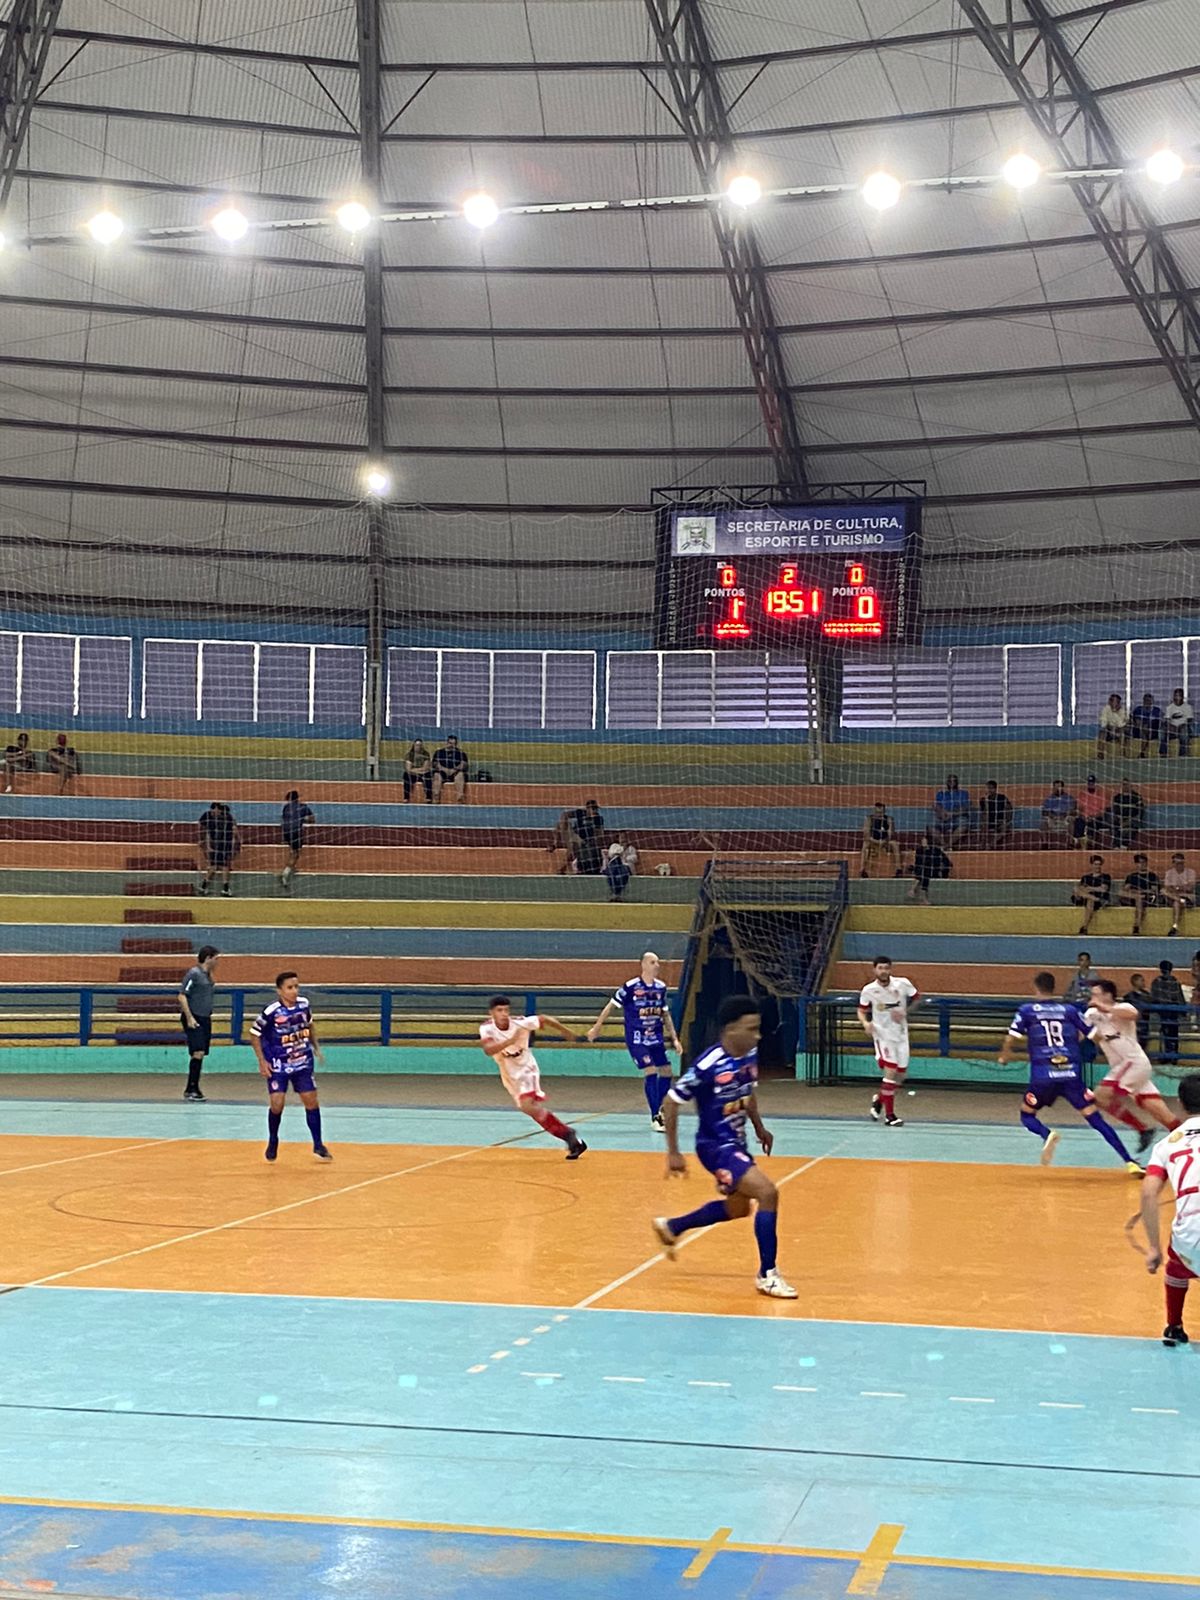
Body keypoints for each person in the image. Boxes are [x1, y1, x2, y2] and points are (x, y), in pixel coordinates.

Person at [652, 994, 797, 1300]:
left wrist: (759, 1126)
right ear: (731, 1029)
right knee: (768, 1193)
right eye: (751, 1028)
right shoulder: (708, 1064)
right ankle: (767, 1274)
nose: (757, 1035)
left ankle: (672, 1227)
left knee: (738, 1208)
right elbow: (671, 1100)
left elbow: (748, 1090)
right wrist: (673, 1152)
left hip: (738, 1142)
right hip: (715, 1146)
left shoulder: (749, 1054)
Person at [997, 972, 1139, 1173]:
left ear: (1036, 988)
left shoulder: (1027, 1010)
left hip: (1043, 1076)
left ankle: (1046, 1134)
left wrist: (1005, 1056)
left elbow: (1012, 1036)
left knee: (1027, 1115)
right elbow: (1095, 1036)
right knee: (1096, 1119)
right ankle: (1129, 1161)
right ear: (1054, 988)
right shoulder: (1069, 1010)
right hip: (1070, 1074)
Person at [479, 996, 586, 1157]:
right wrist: (510, 1041)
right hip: (507, 1069)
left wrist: (567, 1032)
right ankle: (571, 1140)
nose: (504, 1014)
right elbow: (488, 1050)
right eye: (499, 1010)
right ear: (491, 1013)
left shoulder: (520, 1023)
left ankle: (568, 1134)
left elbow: (545, 1019)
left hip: (526, 1065)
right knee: (530, 1109)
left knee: (527, 1105)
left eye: (506, 1010)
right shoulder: (486, 1028)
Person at [586, 950, 682, 1128]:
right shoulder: (631, 987)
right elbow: (611, 1006)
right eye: (653, 962)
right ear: (643, 965)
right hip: (637, 1038)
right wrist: (597, 1027)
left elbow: (665, 1015)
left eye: (658, 962)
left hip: (656, 1037)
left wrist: (675, 1039)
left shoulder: (661, 987)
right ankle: (655, 1117)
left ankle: (660, 1108)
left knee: (667, 1071)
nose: (657, 966)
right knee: (651, 1070)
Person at [1139, 1074, 1200, 1346]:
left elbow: (1148, 1193)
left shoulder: (1166, 1145)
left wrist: (1153, 1248)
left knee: (1176, 1261)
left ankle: (1173, 1326)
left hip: (1189, 1237)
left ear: (1180, 1105)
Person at [1086, 979, 1181, 1151]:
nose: (1092, 997)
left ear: (1107, 995)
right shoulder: (1092, 1014)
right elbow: (1085, 1034)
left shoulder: (1123, 1008)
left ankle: (1141, 1128)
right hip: (1125, 1068)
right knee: (1162, 1114)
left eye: (1096, 993)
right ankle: (1187, 1140)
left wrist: (1104, 1007)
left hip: (1133, 1063)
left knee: (1100, 1096)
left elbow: (1133, 1015)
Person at [250, 971, 332, 1163]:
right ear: (279, 990)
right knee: (277, 1104)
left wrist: (316, 1047)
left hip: (302, 1061)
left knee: (311, 1100)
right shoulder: (271, 1011)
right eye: (289, 987)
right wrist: (262, 1060)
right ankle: (273, 1139)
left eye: (296, 987)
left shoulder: (304, 1005)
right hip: (278, 1063)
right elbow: (254, 1034)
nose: (294, 991)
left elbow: (309, 1026)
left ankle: (318, 1144)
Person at [858, 955, 921, 1127]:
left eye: (886, 968)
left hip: (900, 1034)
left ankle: (879, 1100)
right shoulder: (868, 990)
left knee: (900, 1076)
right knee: (891, 1071)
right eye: (880, 968)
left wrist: (905, 1012)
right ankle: (890, 1116)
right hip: (882, 1035)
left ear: (890, 969)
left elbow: (918, 999)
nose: (883, 971)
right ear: (875, 970)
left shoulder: (902, 984)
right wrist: (865, 1023)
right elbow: (861, 1010)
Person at [177, 944, 219, 1103]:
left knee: (202, 1052)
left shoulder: (207, 975)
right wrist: (189, 1017)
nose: (217, 961)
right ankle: (192, 1088)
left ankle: (191, 1087)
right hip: (194, 1016)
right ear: (208, 958)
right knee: (198, 1051)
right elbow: (182, 995)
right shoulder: (194, 974)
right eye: (216, 958)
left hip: (205, 1016)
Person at [197, 801, 240, 897]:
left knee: (215, 866)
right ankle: (224, 888)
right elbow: (234, 832)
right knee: (223, 866)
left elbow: (207, 832)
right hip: (222, 845)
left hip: (218, 845)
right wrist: (238, 842)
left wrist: (206, 844)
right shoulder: (227, 818)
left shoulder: (213, 819)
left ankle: (204, 887)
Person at [554, 798, 605, 875]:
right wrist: (564, 824)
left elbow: (599, 833)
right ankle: (555, 845)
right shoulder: (580, 813)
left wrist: (593, 841)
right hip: (576, 835)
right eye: (593, 808)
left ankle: (579, 867)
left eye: (596, 809)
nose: (595, 811)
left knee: (581, 849)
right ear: (587, 809)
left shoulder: (598, 819)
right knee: (572, 845)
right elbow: (564, 814)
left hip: (588, 839)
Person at [1151, 960, 1186, 1067]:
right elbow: (1179, 997)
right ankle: (1173, 1056)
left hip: (1164, 1012)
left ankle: (1166, 1055)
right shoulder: (1174, 981)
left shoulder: (1156, 982)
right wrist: (1183, 1011)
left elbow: (1154, 997)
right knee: (1173, 1033)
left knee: (1165, 1033)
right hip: (1173, 1012)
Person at [280, 790, 314, 890]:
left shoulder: (286, 807)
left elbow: (284, 819)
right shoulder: (303, 806)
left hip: (286, 831)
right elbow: (312, 820)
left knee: (292, 849)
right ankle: (285, 873)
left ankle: (292, 867)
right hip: (296, 831)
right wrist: (302, 819)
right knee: (296, 853)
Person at [1119, 852, 1160, 936]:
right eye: (1139, 863)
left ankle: (1136, 925)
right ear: (1136, 864)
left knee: (1140, 898)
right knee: (1123, 893)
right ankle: (1138, 897)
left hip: (1147, 898)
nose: (1142, 865)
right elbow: (1124, 890)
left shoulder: (1152, 876)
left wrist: (1140, 891)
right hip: (1133, 897)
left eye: (1143, 862)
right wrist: (1136, 893)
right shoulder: (1132, 876)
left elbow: (1153, 891)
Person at [859, 801, 901, 877]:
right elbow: (866, 835)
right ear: (874, 811)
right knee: (865, 845)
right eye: (877, 812)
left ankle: (898, 869)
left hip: (885, 842)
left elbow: (891, 834)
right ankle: (862, 870)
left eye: (881, 812)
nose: (879, 814)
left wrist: (885, 841)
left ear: (884, 811)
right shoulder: (869, 819)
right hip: (873, 842)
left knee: (895, 844)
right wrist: (876, 841)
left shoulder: (889, 819)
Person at [908, 830, 951, 904]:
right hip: (923, 871)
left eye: (924, 841)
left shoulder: (936, 850)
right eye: (922, 841)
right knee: (924, 873)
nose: (923, 842)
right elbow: (917, 862)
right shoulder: (919, 851)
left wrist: (942, 869)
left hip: (934, 870)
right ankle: (923, 898)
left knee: (925, 871)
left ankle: (913, 889)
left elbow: (946, 861)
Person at [1071, 855, 1111, 935]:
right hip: (1086, 898)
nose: (1097, 866)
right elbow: (1080, 889)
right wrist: (1093, 889)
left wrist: (1089, 888)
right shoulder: (1085, 877)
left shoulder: (1105, 876)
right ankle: (1095, 899)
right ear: (1092, 865)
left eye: (1099, 864)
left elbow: (1103, 889)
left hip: (1098, 898)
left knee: (1090, 901)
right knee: (1076, 889)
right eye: (1096, 864)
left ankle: (1084, 927)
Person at [931, 774, 971, 847]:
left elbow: (965, 808)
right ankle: (943, 844)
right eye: (949, 781)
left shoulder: (963, 793)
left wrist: (952, 814)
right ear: (947, 783)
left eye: (954, 781)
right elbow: (936, 806)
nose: (951, 783)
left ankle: (949, 845)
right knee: (930, 826)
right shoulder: (941, 794)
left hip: (958, 817)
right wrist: (943, 813)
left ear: (957, 782)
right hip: (944, 817)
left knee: (964, 825)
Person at [1164, 852, 1196, 939]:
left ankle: (1175, 927)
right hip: (1172, 896)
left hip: (1187, 896)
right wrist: (1181, 888)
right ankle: (1180, 900)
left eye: (1181, 863)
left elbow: (1190, 888)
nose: (1179, 865)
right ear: (1173, 863)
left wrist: (1176, 888)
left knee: (1176, 903)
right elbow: (1167, 888)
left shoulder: (1191, 872)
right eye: (1177, 863)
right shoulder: (1169, 873)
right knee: (1163, 891)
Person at [1072, 774, 1108, 848]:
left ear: (1095, 784)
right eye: (1089, 783)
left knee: (1093, 823)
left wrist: (1093, 817)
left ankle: (1090, 842)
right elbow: (1079, 808)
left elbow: (1103, 811)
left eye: (1092, 783)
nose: (1091, 785)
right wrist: (1083, 816)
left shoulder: (1101, 794)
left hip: (1096, 818)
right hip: (1084, 817)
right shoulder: (1082, 794)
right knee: (1078, 821)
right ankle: (1078, 841)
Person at [1106, 779, 1145, 848]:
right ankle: (1117, 845)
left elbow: (1140, 811)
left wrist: (1128, 820)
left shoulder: (1137, 797)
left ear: (1131, 786)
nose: (1125, 786)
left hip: (1132, 819)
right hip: (1120, 820)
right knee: (1113, 823)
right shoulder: (1117, 798)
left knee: (1131, 826)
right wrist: (1120, 819)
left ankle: (1124, 845)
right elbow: (1115, 811)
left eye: (1127, 784)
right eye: (1123, 784)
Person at [431, 734, 469, 802]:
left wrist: (454, 769)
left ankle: (459, 797)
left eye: (453, 744)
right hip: (442, 772)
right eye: (450, 743)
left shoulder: (460, 753)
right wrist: (444, 769)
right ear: (447, 742)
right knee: (437, 775)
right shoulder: (439, 752)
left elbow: (464, 764)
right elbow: (435, 764)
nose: (451, 745)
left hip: (455, 772)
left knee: (460, 775)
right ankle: (436, 797)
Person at [1039, 779, 1076, 847]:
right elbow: (1044, 811)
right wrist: (1051, 816)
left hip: (1065, 819)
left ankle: (1071, 842)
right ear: (1053, 788)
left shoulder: (1069, 798)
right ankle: (1045, 843)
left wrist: (1065, 815)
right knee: (1043, 821)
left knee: (1071, 820)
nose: (1057, 789)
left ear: (1062, 787)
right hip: (1053, 819)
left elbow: (1073, 810)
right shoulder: (1049, 799)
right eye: (1056, 787)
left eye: (1059, 787)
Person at [978, 780, 1013, 848]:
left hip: (1000, 821)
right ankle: (982, 844)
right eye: (988, 788)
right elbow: (984, 813)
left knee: (1005, 828)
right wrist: (986, 802)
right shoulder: (983, 800)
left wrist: (1006, 820)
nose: (990, 790)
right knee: (983, 825)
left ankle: (991, 843)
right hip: (989, 822)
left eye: (991, 788)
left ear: (995, 789)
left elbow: (1009, 809)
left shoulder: (1002, 797)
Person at [1162, 688, 1193, 759]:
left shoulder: (1188, 707)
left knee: (1184, 732)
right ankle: (1163, 753)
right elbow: (1167, 720)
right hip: (1172, 727)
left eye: (1179, 696)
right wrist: (1170, 726)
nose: (1177, 698)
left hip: (1183, 727)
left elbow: (1189, 720)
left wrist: (1181, 726)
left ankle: (1182, 754)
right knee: (1163, 733)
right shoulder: (1169, 707)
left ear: (1182, 697)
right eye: (1176, 696)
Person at [1096, 692, 1129, 759]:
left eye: (1118, 702)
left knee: (1122, 733)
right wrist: (1110, 728)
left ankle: (1122, 754)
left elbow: (1121, 724)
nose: (1116, 704)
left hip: (1119, 730)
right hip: (1109, 730)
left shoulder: (1122, 711)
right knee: (1102, 733)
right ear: (1110, 702)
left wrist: (1115, 712)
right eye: (1115, 701)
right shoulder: (1105, 709)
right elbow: (1103, 723)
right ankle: (1100, 754)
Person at [1130, 692, 1163, 758]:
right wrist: (1143, 727)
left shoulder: (1157, 710)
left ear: (1152, 701)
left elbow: (1160, 721)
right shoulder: (1138, 709)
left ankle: (1143, 751)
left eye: (1149, 700)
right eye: (1145, 700)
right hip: (1140, 729)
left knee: (1154, 726)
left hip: (1153, 730)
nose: (1147, 702)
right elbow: (1134, 721)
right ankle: (1142, 751)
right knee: (1141, 730)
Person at [1124, 973, 1153, 1049]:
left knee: (1143, 1043)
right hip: (1133, 1024)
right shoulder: (1128, 997)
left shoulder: (1147, 995)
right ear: (1135, 982)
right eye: (1141, 980)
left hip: (1144, 1023)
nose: (1143, 982)